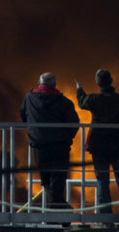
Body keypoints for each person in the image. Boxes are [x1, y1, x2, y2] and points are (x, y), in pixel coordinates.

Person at [75, 68, 119, 214]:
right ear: (111, 81)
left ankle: (105, 218)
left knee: (102, 181)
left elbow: (82, 102)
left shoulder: (94, 100)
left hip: (99, 147)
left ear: (97, 83)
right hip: (118, 146)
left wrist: (79, 89)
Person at [20, 72, 79, 209]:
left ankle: (52, 207)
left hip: (39, 144)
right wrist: (66, 138)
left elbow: (23, 116)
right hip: (59, 145)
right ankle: (56, 208)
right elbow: (74, 123)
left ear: (39, 83)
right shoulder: (64, 102)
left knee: (45, 178)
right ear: (54, 84)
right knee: (58, 177)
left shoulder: (29, 99)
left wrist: (34, 132)